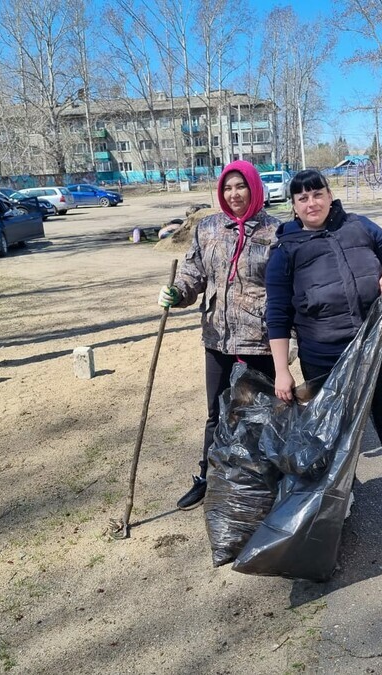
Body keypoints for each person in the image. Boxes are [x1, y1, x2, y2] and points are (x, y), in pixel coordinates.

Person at [264, 169, 382, 520]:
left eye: (317, 193)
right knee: (334, 431)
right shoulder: (285, 251)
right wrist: (281, 371)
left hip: (376, 345)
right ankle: (342, 496)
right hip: (323, 355)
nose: (312, 203)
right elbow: (277, 314)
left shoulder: (359, 226)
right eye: (302, 198)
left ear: (329, 194)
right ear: (293, 206)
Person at [158, 160, 281, 510]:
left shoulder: (276, 232)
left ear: (254, 188)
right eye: (227, 188)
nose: (233, 193)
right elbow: (193, 272)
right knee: (215, 411)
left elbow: (287, 289)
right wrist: (178, 292)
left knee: (260, 413)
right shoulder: (208, 228)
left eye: (240, 186)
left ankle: (260, 481)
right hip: (217, 336)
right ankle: (207, 476)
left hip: (260, 338)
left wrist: (289, 341)